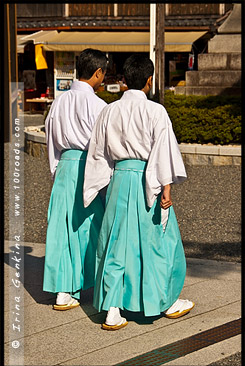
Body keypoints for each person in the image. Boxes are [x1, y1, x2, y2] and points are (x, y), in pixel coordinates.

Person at [83, 54, 194, 330]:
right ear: (149, 80)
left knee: (116, 244)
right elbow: (163, 151)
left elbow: (98, 153)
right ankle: (163, 301)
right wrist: (166, 186)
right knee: (158, 241)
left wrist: (99, 186)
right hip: (148, 179)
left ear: (122, 80)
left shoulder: (109, 111)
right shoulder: (156, 111)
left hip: (120, 180)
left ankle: (112, 309)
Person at [43, 48, 108, 310]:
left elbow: (51, 142)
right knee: (92, 226)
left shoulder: (59, 101)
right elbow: (103, 145)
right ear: (97, 73)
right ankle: (87, 281)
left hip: (65, 167)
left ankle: (63, 290)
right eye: (104, 72)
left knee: (62, 229)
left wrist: (55, 170)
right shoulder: (99, 105)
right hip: (89, 166)